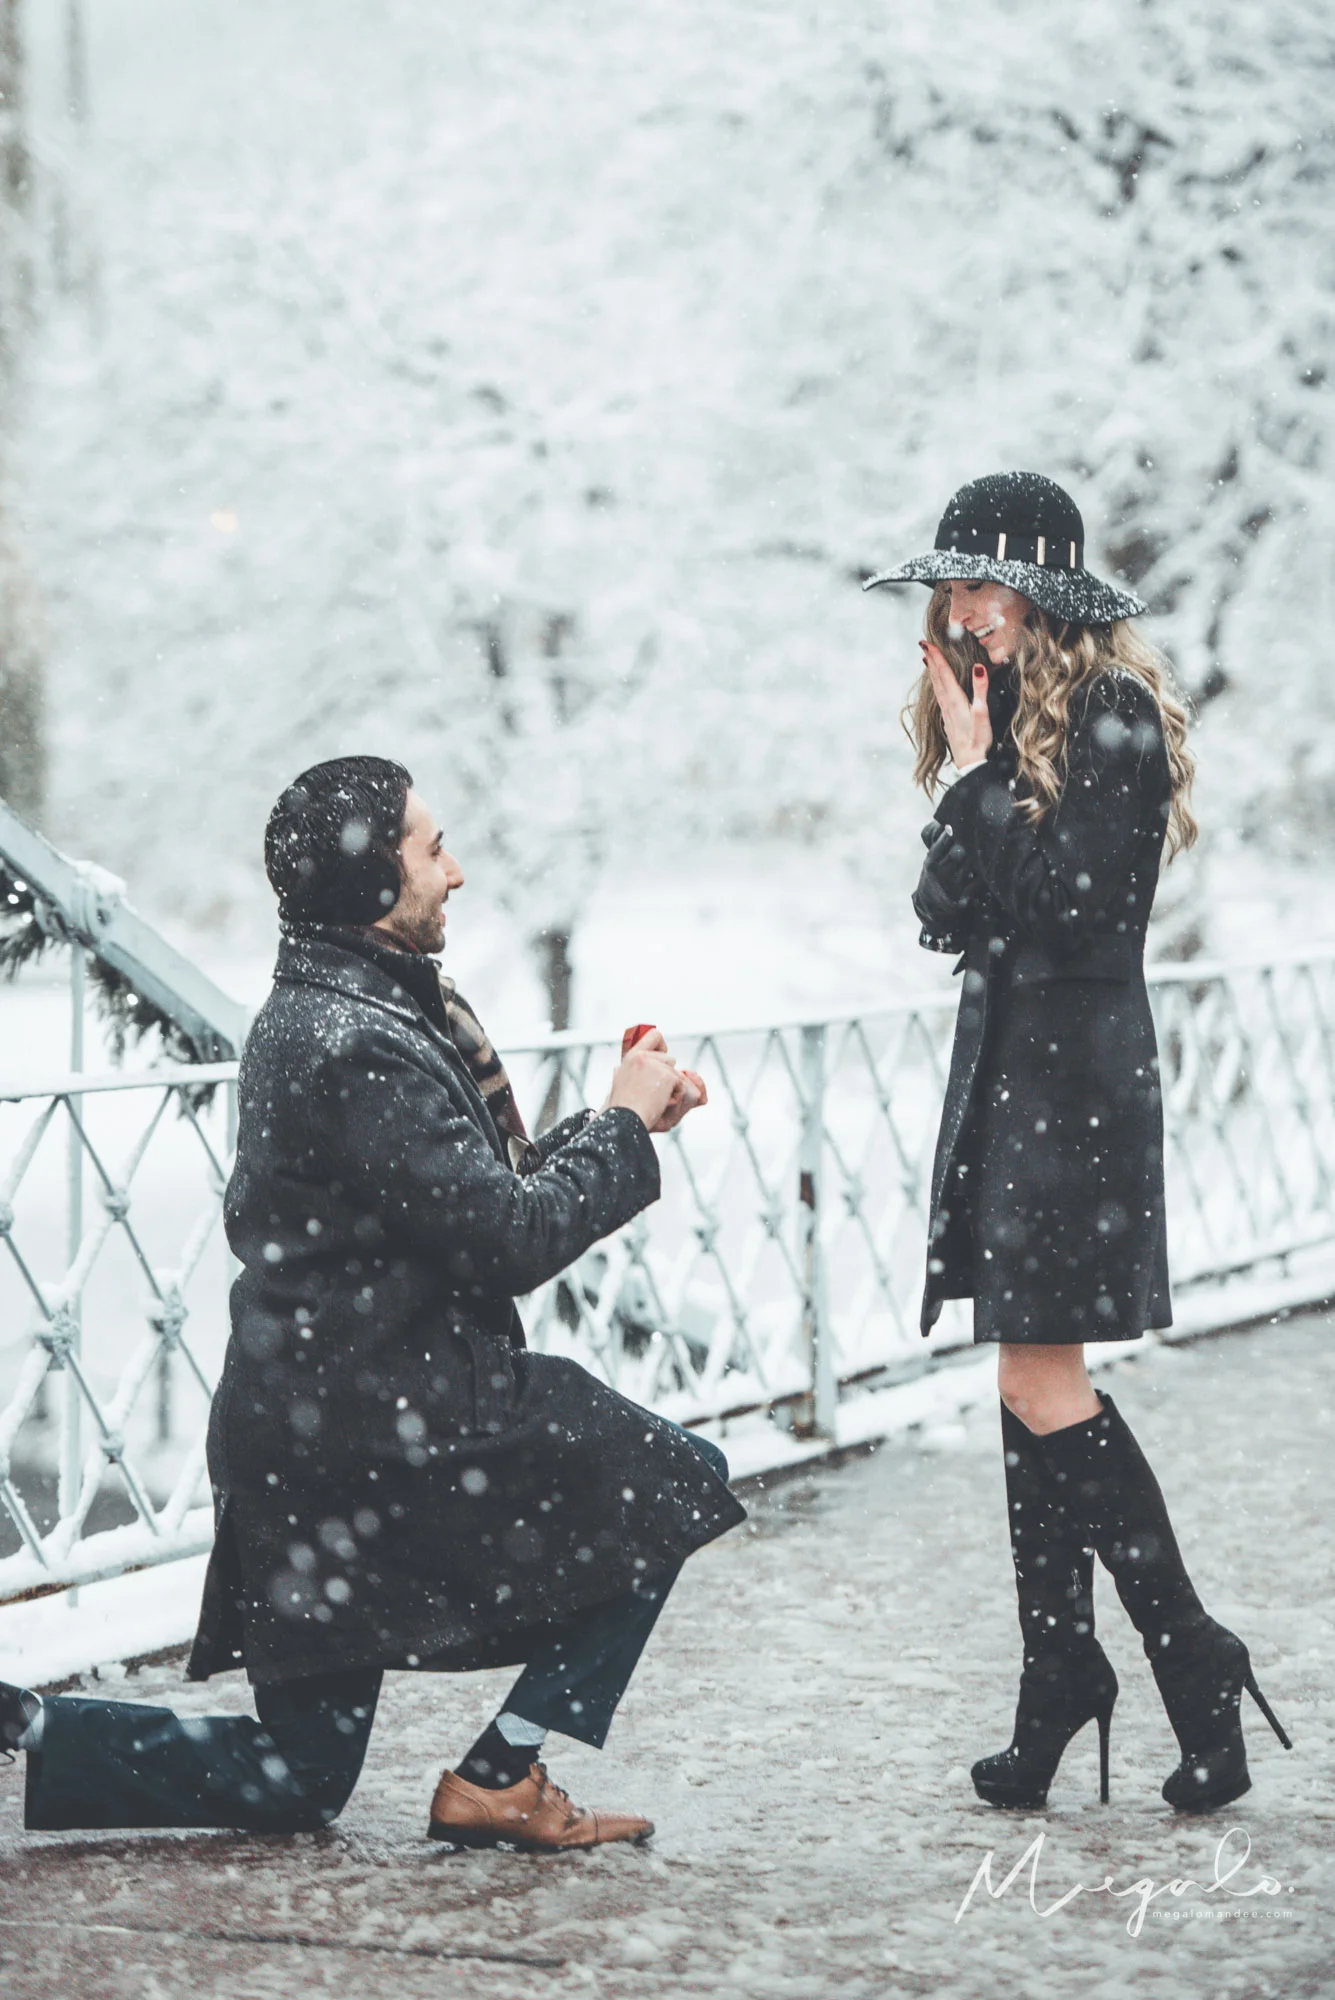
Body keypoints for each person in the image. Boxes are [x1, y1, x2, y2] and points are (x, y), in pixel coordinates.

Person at [1, 755, 744, 1850]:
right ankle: (501, 1771)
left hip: (318, 1433)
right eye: (432, 848)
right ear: (370, 881)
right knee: (678, 1482)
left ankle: (23, 1723)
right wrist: (624, 1130)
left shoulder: (346, 1006)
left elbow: (480, 1196)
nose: (458, 871)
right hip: (386, 1425)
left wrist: (620, 1121)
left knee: (299, 1779)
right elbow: (508, 1238)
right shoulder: (355, 1039)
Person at [864, 471, 1290, 1812]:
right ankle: (1057, 1669)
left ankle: (1185, 1657)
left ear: (1039, 596)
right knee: (1020, 1380)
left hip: (1073, 1089)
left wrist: (988, 770)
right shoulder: (1006, 731)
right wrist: (974, 766)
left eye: (978, 587)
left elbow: (1068, 913)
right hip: (1009, 1081)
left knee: (1046, 1384)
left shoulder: (1107, 721)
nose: (957, 613)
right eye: (947, 590)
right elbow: (943, 910)